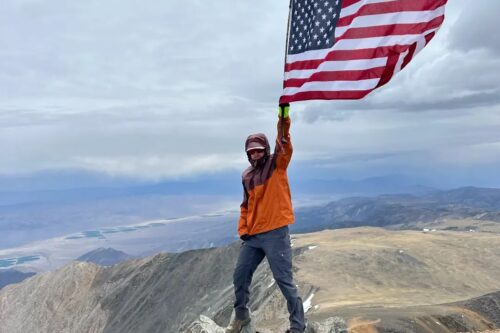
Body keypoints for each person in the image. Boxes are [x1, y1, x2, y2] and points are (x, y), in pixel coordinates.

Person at [226, 104, 305, 333]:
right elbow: (245, 205)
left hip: (275, 233)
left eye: (259, 150)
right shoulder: (247, 175)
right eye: (251, 151)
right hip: (253, 235)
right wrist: (243, 229)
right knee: (240, 275)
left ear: (266, 149)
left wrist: (283, 116)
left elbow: (283, 139)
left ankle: (298, 327)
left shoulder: (277, 164)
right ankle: (242, 317)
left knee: (284, 281)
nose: (255, 154)